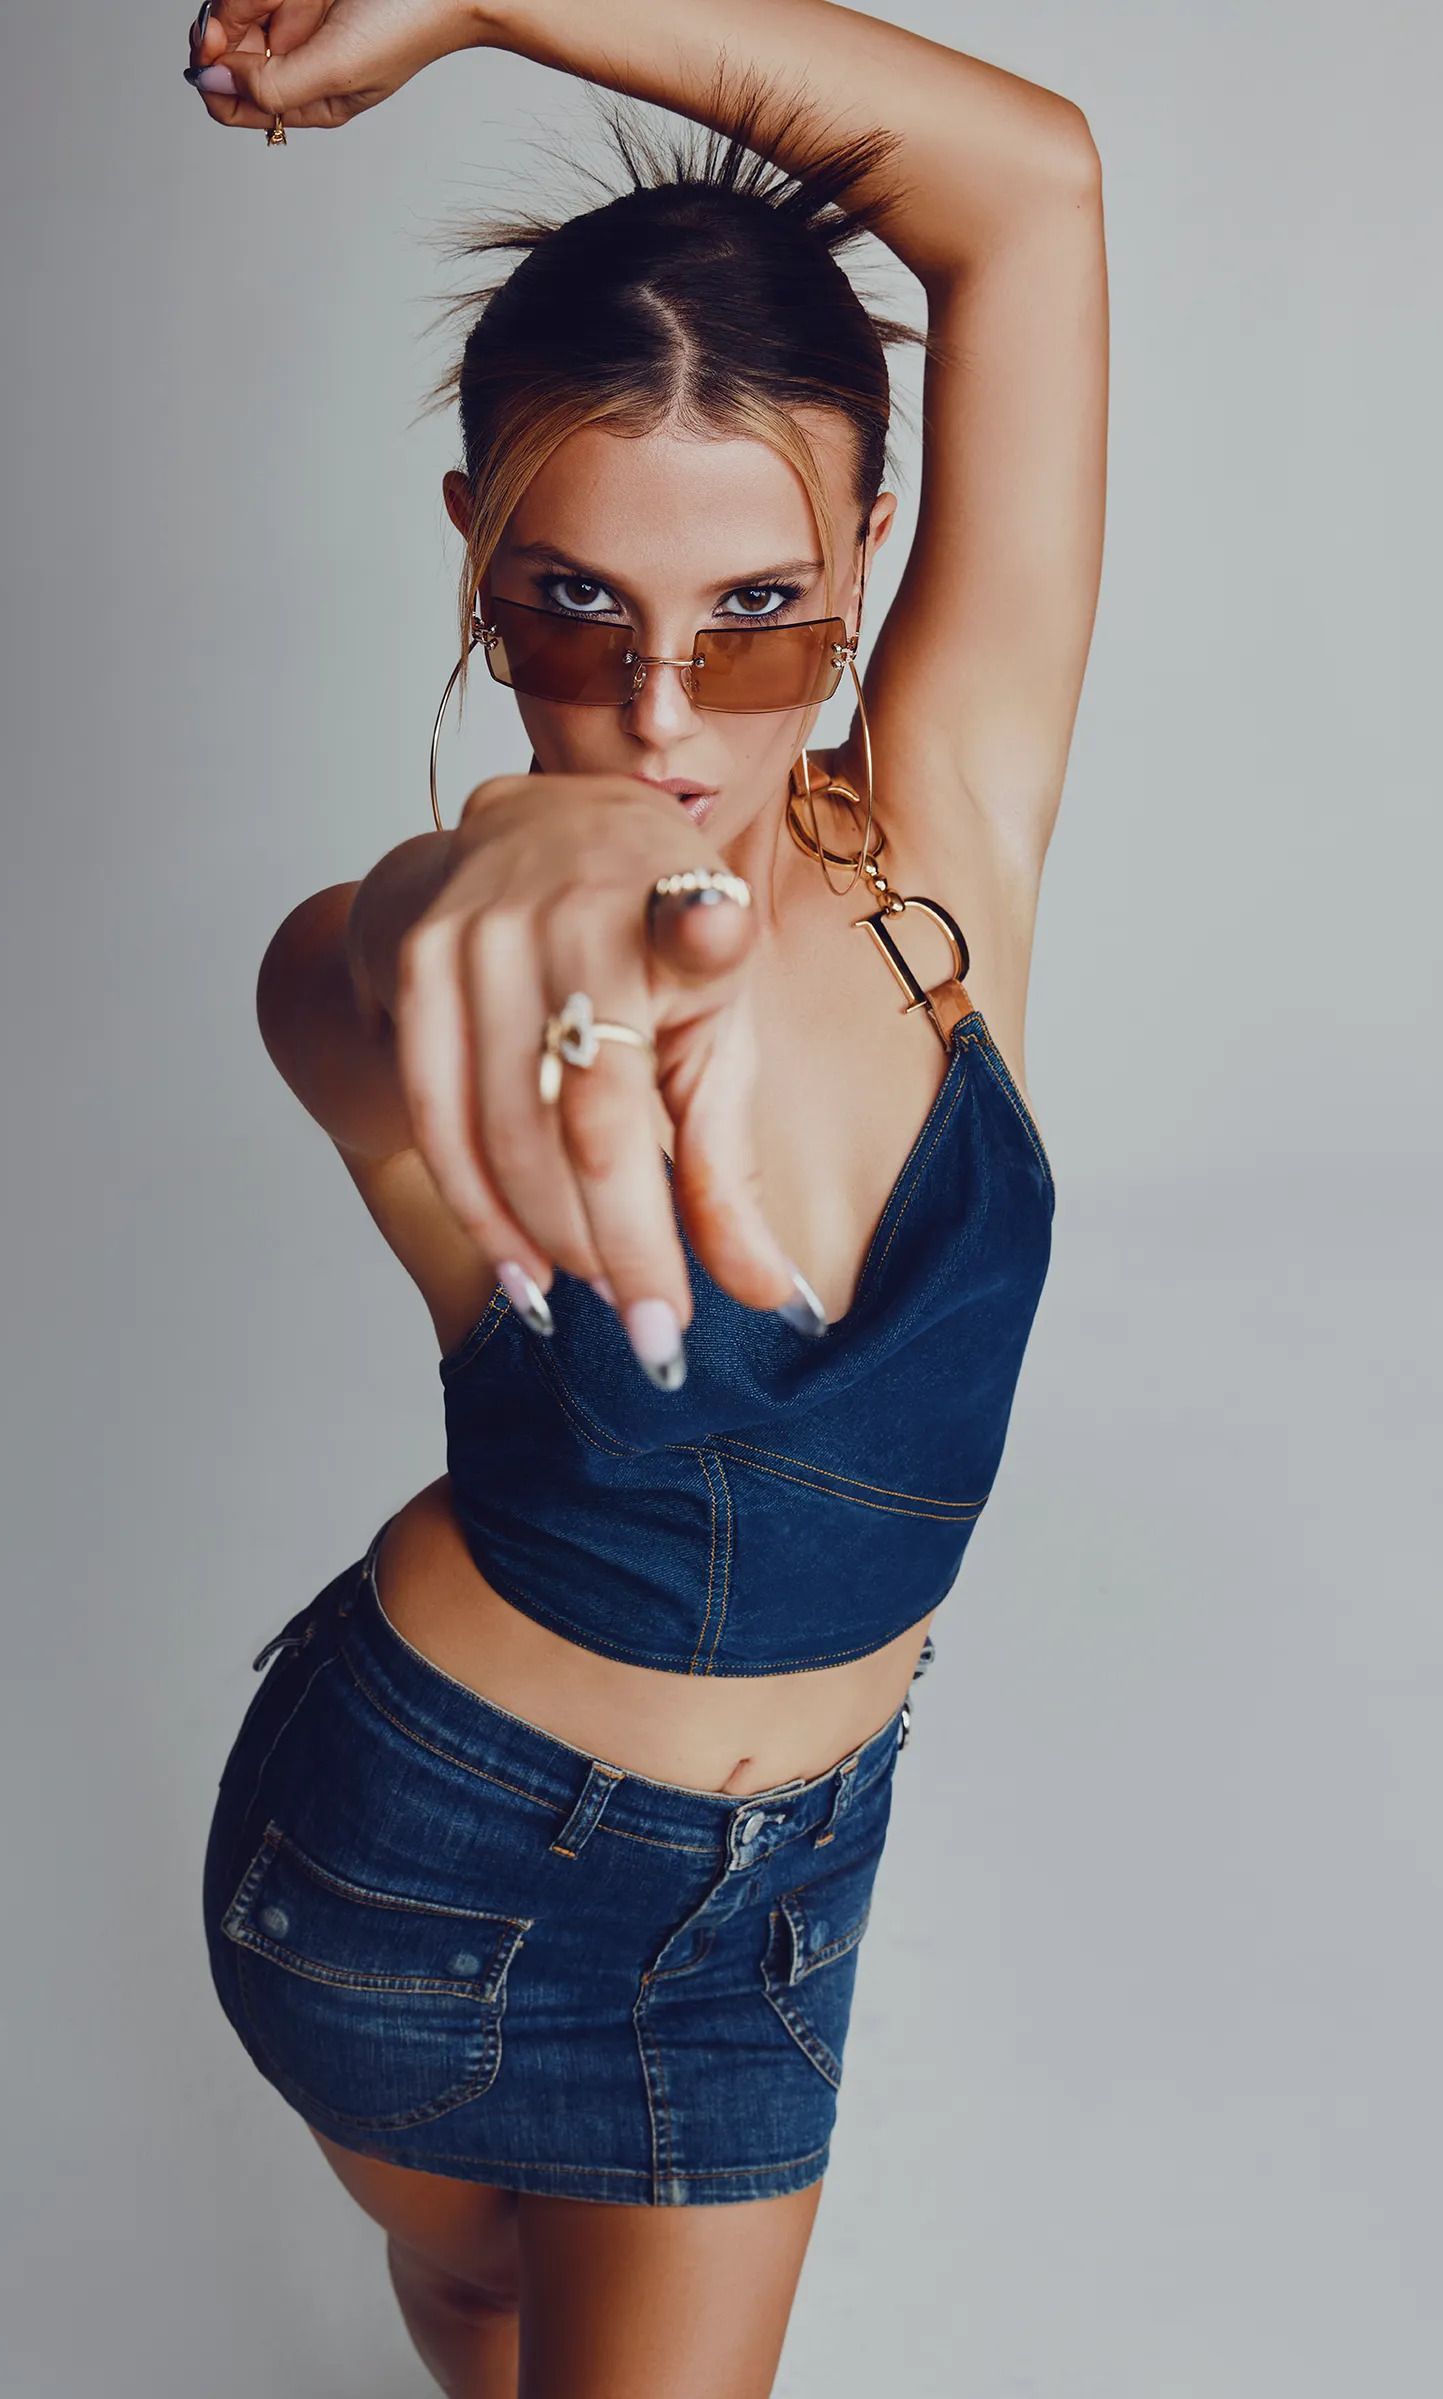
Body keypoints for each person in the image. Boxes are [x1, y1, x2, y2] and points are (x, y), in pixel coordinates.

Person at [188, 4, 1106, 2392]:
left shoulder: (945, 855)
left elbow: (1025, 185)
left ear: (870, 552)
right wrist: (500, 868)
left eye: (755, 616)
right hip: (421, 1859)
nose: (665, 714)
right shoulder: (440, 966)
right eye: (569, 611)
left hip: (790, 1886)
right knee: (477, 2297)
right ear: (475, 560)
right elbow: (362, 977)